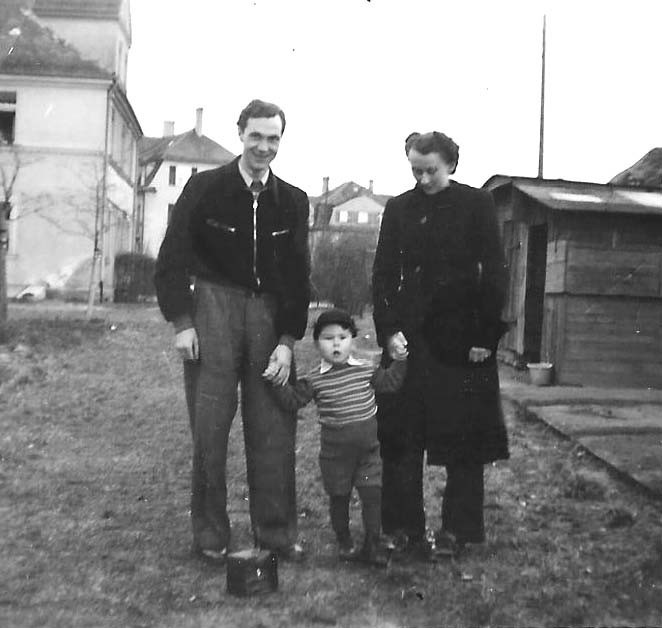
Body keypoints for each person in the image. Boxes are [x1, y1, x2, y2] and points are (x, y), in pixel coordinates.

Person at [154, 99, 310, 562]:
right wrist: (183, 322)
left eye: (273, 139)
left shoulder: (293, 201)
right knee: (210, 430)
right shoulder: (205, 188)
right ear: (241, 133)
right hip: (213, 312)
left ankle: (276, 534)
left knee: (273, 432)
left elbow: (299, 278)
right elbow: (171, 259)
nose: (264, 147)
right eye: (256, 136)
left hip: (268, 320)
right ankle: (210, 535)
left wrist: (286, 342)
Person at [372, 131, 509, 559]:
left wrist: (486, 336)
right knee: (401, 440)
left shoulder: (476, 204)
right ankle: (402, 529)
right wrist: (388, 330)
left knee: (464, 441)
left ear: (450, 164)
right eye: (416, 169)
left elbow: (496, 271)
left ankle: (459, 531)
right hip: (410, 342)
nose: (424, 177)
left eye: (431, 169)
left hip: (464, 341)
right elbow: (382, 275)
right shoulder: (398, 209)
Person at [264, 308, 407, 566]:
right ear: (318, 344)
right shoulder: (314, 380)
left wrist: (400, 361)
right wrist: (276, 382)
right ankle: (345, 541)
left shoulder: (366, 370)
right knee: (339, 498)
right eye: (328, 338)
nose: (336, 343)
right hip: (335, 458)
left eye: (342, 337)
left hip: (368, 454)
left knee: (372, 496)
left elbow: (391, 383)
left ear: (352, 339)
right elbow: (293, 400)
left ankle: (373, 543)